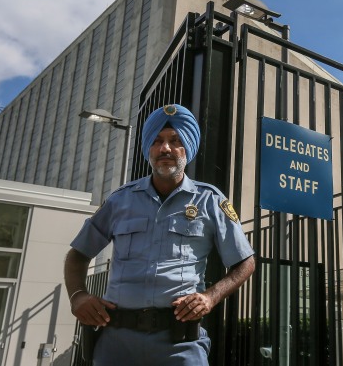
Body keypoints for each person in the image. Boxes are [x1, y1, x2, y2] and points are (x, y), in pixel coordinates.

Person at [64, 103, 255, 365]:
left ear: (187, 148)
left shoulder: (210, 200)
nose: (165, 148)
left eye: (175, 140)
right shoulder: (120, 200)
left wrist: (210, 297)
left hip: (180, 344)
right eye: (157, 141)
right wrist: (78, 296)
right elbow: (77, 255)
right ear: (149, 150)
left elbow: (245, 262)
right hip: (117, 344)